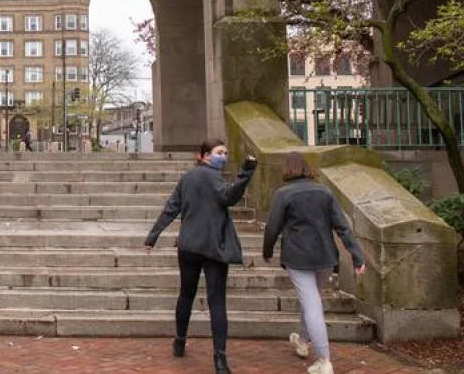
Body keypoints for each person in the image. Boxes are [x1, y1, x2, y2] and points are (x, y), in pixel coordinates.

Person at [145, 139, 257, 374]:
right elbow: (229, 197)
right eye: (220, 153)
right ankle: (220, 358)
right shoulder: (214, 178)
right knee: (217, 302)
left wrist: (153, 235)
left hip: (188, 247)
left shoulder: (187, 178)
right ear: (205, 155)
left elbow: (171, 208)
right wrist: (246, 172)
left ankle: (179, 340)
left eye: (225, 152)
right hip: (214, 247)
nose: (224, 156)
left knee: (186, 294)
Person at [262, 152, 367, 374]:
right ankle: (302, 340)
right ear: (306, 168)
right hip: (324, 257)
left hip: (298, 257)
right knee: (311, 298)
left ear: (287, 169)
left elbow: (272, 227)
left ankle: (324, 359)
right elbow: (342, 227)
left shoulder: (283, 194)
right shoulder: (324, 191)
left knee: (311, 304)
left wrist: (267, 250)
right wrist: (357, 256)